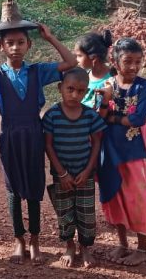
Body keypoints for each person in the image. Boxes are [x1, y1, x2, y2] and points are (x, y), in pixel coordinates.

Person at [0, 0, 77, 265]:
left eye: (21, 42)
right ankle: (19, 240)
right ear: (0, 46)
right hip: (9, 136)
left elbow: (70, 62)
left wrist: (50, 37)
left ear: (29, 45)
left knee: (34, 187)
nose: (15, 47)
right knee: (12, 189)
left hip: (34, 134)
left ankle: (34, 239)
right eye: (9, 43)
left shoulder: (38, 71)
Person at [96, 37, 146, 266]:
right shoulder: (108, 85)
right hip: (110, 147)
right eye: (127, 61)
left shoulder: (143, 87)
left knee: (137, 195)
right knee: (115, 194)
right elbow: (99, 117)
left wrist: (113, 117)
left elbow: (138, 119)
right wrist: (106, 102)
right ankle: (122, 244)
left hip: (135, 148)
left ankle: (143, 248)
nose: (133, 67)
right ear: (115, 62)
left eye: (138, 61)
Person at [42, 68, 106, 268]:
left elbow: (96, 142)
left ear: (86, 91)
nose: (75, 95)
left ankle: (85, 247)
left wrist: (88, 171)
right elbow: (48, 145)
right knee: (65, 213)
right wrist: (62, 173)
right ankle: (69, 246)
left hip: (85, 175)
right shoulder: (52, 115)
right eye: (70, 89)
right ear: (60, 88)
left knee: (86, 213)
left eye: (80, 91)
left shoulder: (89, 115)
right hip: (62, 176)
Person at [73, 30, 114, 110]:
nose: (76, 59)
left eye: (79, 56)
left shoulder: (110, 81)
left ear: (94, 58)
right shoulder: (85, 75)